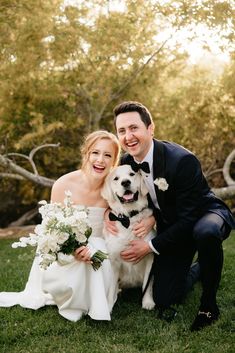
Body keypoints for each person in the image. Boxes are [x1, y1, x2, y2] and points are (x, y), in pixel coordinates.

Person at [106, 101, 235, 331]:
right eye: (122, 131)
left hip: (203, 214)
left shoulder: (182, 161)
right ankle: (199, 269)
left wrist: (150, 246)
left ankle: (208, 306)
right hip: (171, 227)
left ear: (150, 128)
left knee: (205, 232)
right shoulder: (127, 163)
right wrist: (110, 213)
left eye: (134, 128)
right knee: (165, 296)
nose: (128, 136)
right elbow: (125, 196)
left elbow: (189, 216)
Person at [0, 130, 121, 321]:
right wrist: (71, 249)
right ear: (86, 154)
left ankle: (94, 301)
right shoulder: (64, 183)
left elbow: (129, 213)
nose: (101, 160)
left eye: (108, 155)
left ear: (114, 161)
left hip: (98, 245)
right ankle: (72, 297)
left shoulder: (115, 188)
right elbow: (52, 230)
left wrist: (110, 214)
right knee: (78, 264)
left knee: (97, 256)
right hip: (62, 251)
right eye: (95, 153)